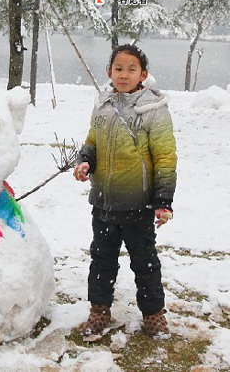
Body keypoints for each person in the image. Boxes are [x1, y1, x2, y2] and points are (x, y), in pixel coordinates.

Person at [74, 44, 177, 341]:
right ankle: (99, 310)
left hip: (138, 205)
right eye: (118, 68)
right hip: (104, 204)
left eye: (132, 69)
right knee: (101, 260)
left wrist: (163, 201)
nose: (124, 74)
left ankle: (153, 314)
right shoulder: (103, 104)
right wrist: (85, 162)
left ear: (143, 75)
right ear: (109, 72)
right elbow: (92, 141)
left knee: (145, 263)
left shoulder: (153, 110)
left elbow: (165, 157)